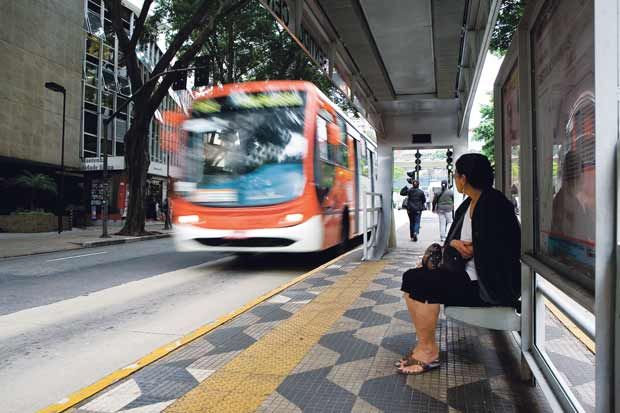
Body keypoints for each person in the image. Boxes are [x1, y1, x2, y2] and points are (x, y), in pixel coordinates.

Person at [397, 153, 520, 375]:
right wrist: (455, 244)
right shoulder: (468, 205)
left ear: (464, 178)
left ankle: (429, 352)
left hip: (487, 285)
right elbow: (457, 242)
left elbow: (506, 245)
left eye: (456, 175)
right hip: (467, 275)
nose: (455, 179)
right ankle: (425, 346)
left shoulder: (495, 203)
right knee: (411, 277)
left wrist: (477, 248)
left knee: (423, 284)